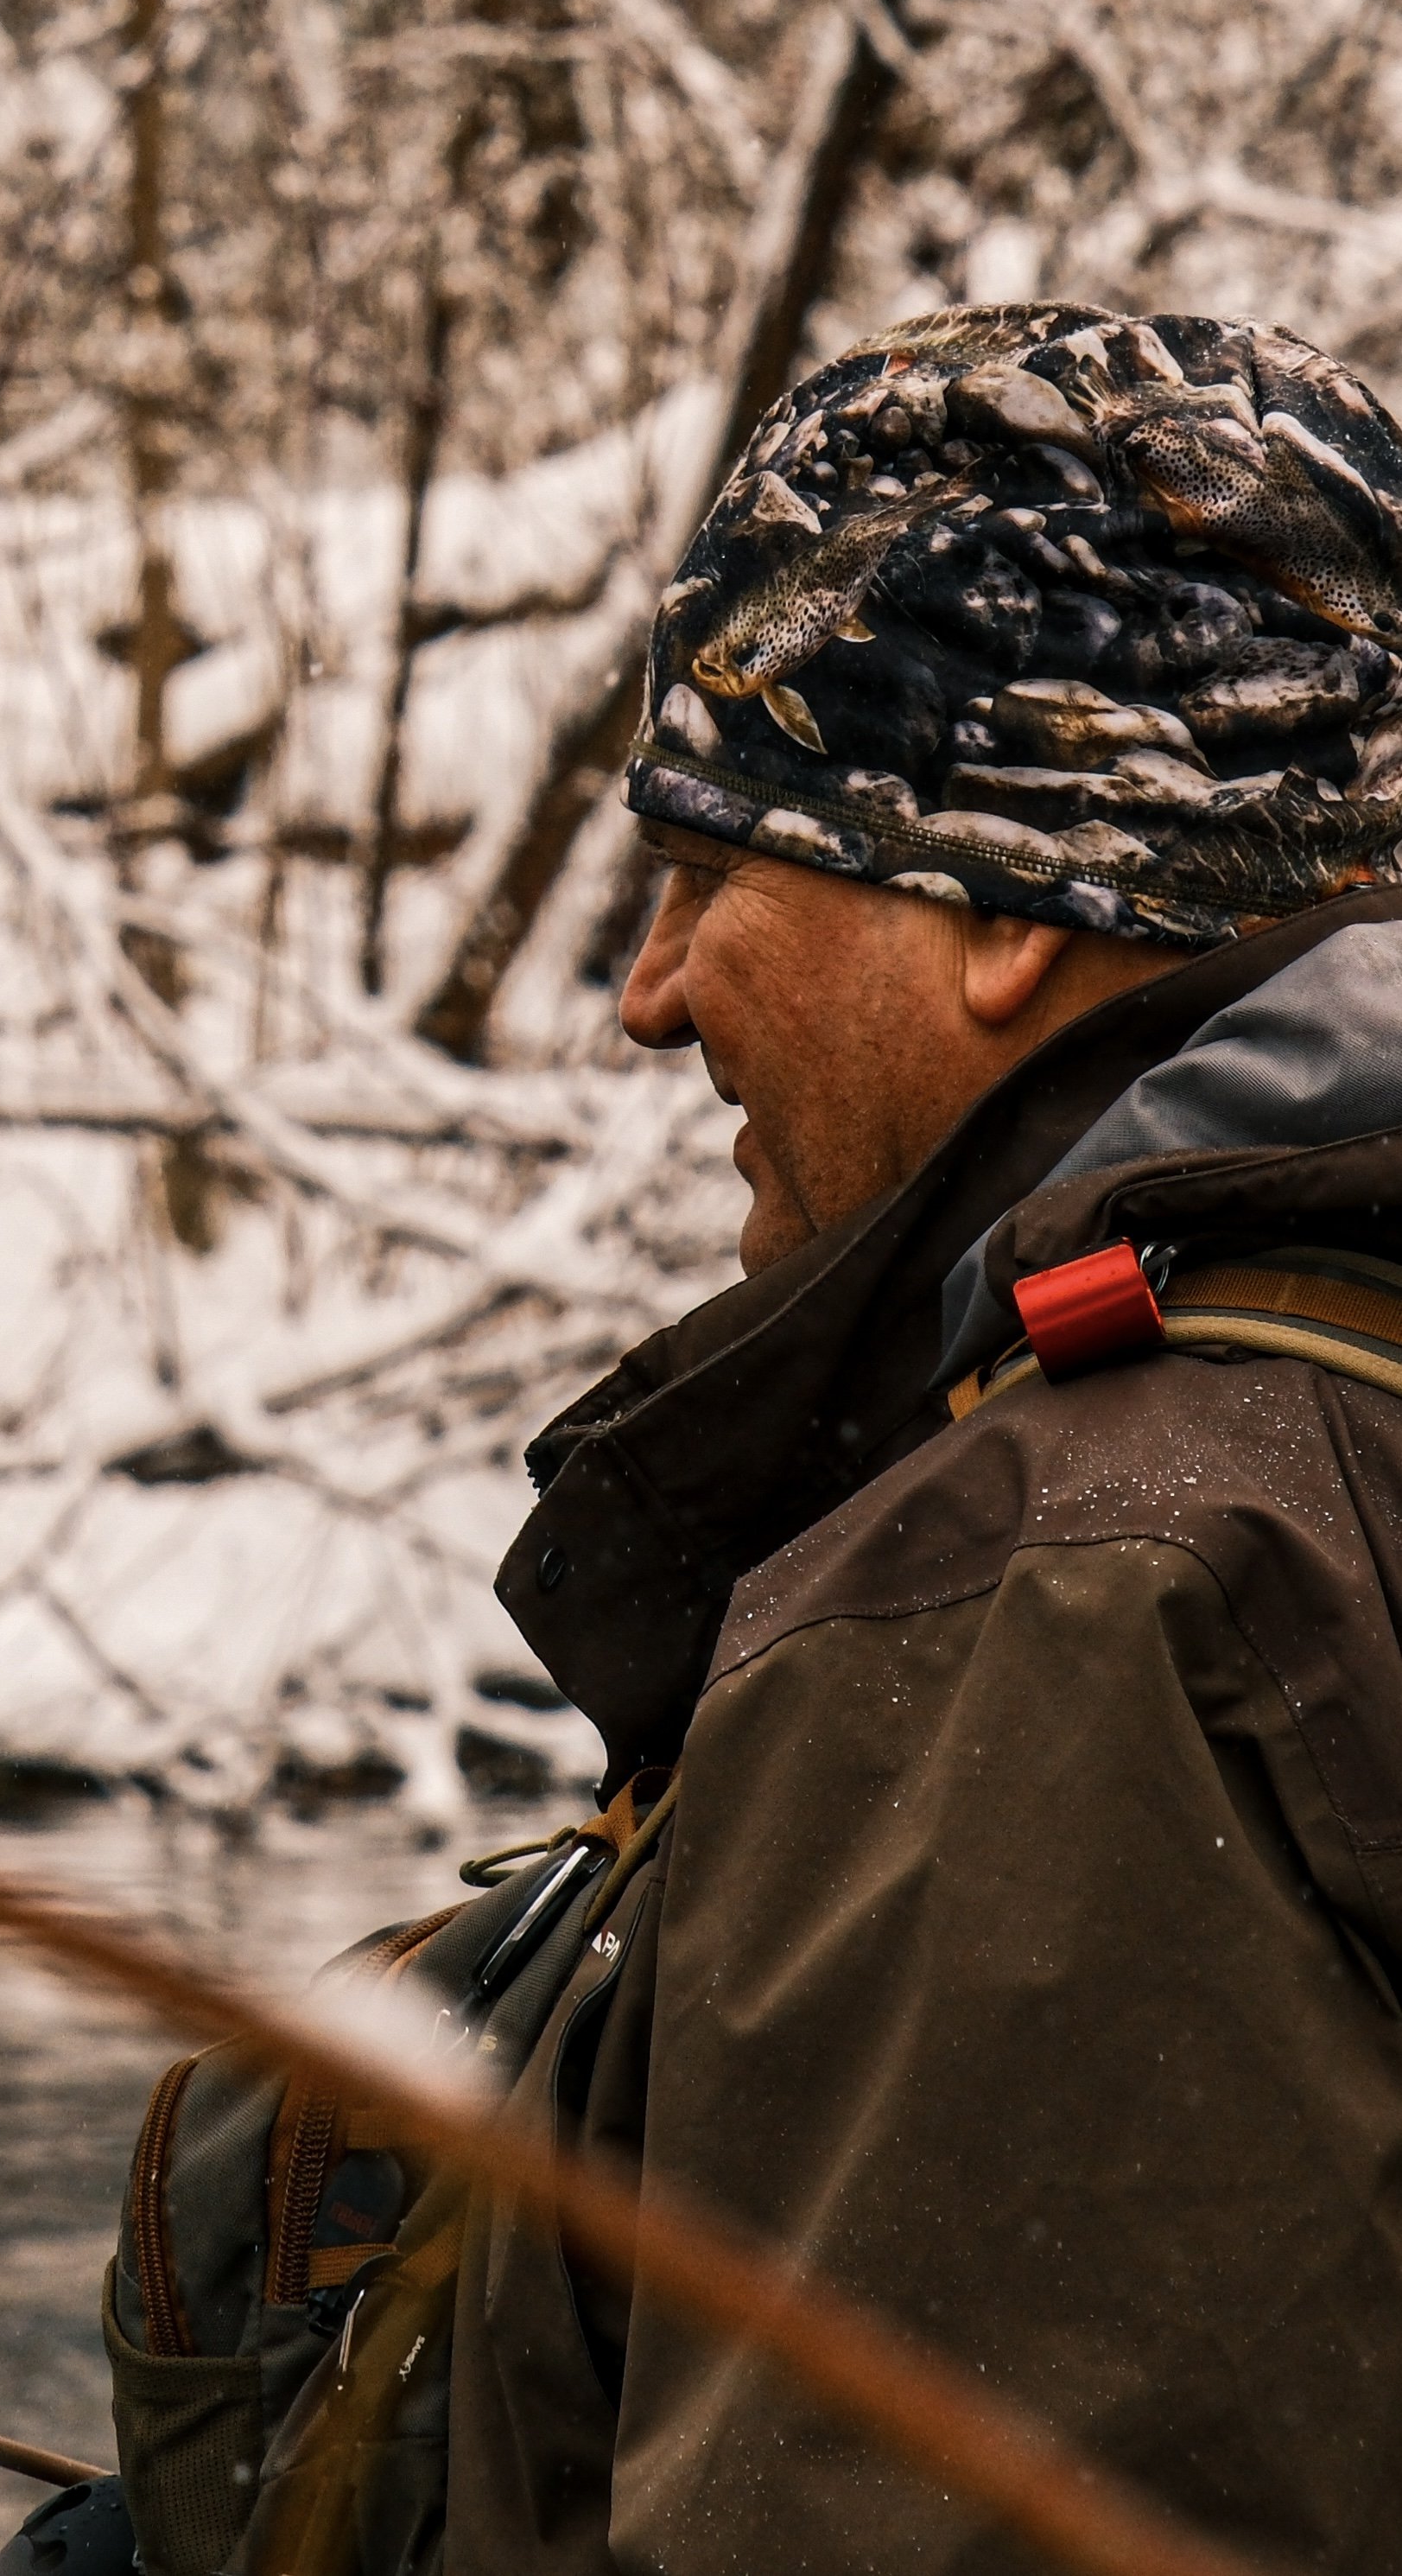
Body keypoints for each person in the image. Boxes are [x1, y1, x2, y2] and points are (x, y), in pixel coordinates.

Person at [105, 302, 1402, 2576]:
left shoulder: (1083, 1598)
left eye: (718, 860)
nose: (652, 987)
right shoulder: (1306, 1446)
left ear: (1009, 898)